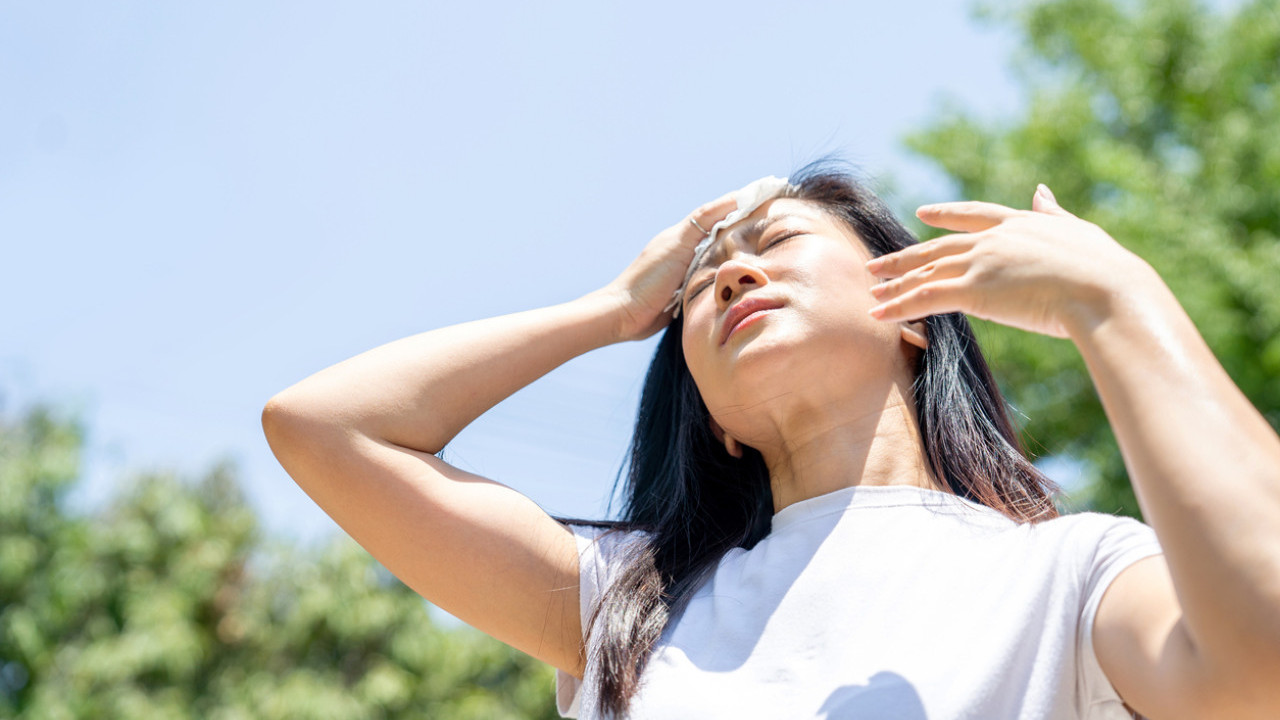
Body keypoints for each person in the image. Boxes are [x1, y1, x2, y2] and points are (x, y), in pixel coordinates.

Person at [262, 161, 1280, 719]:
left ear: (912, 311)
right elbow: (324, 428)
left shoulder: (1070, 576)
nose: (733, 276)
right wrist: (612, 309)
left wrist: (1114, 299)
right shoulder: (621, 602)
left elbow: (1261, 665)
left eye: (777, 245)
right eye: (704, 281)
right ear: (710, 416)